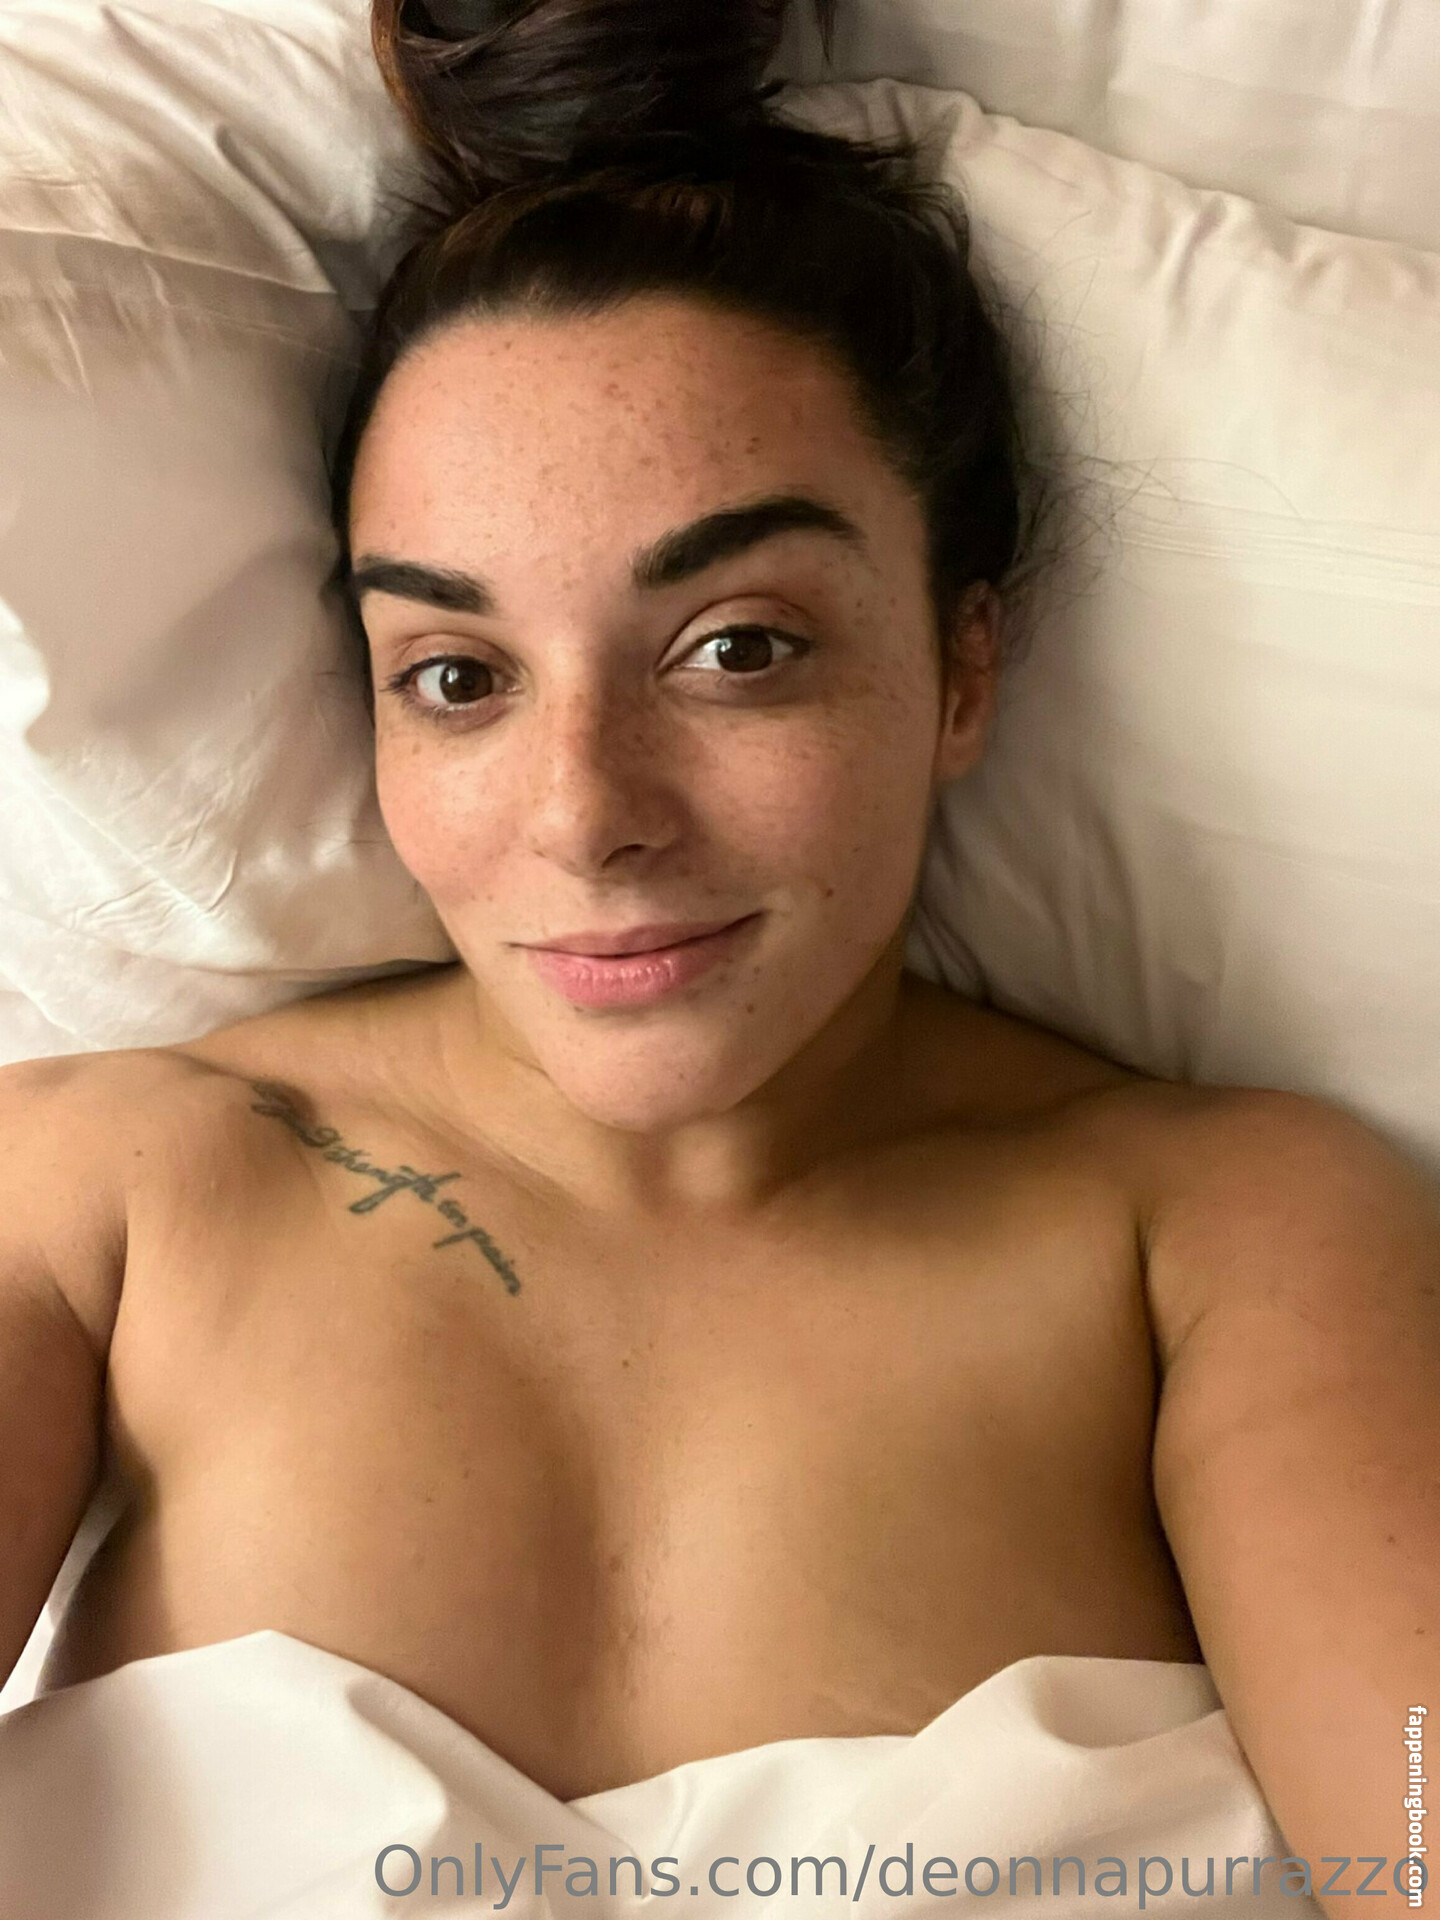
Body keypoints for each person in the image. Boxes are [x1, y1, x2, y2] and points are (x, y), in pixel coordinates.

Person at [0, 0, 1434, 1886]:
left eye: (736, 648)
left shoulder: (1223, 1241)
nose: (587, 815)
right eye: (459, 676)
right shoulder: (99, 1197)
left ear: (964, 668)